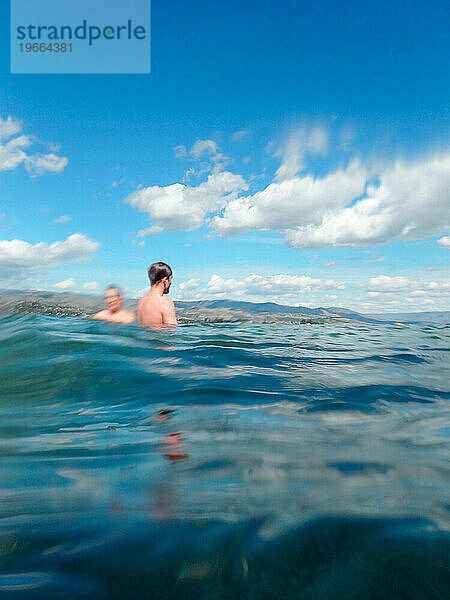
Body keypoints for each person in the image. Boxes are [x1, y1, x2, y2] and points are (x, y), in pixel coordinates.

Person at [137, 262, 177, 328]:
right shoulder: (165, 303)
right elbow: (171, 333)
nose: (171, 283)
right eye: (170, 279)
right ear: (165, 280)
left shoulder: (141, 302)